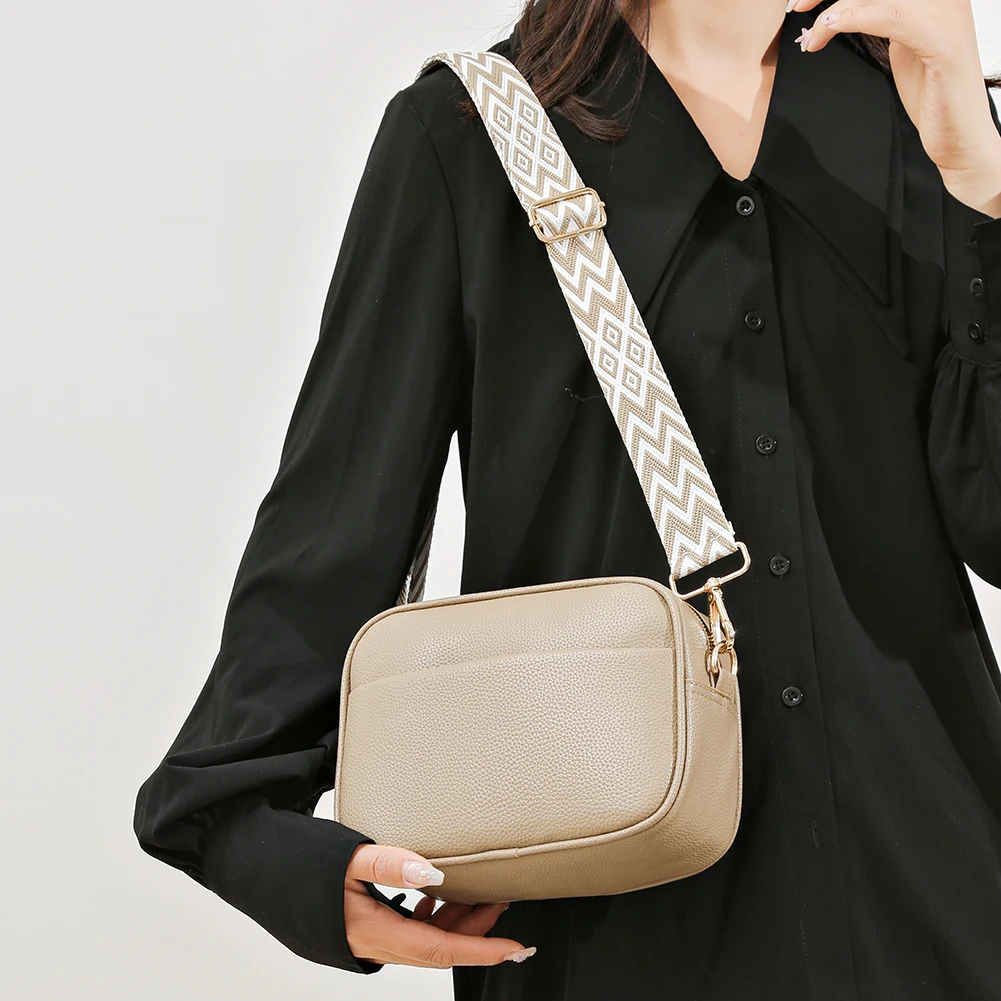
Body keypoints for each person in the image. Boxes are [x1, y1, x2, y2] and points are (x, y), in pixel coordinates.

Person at [133, 0, 1001, 997]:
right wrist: (269, 849)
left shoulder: (926, 115)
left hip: (941, 913)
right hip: (610, 938)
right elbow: (333, 536)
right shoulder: (467, 137)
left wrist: (984, 187)